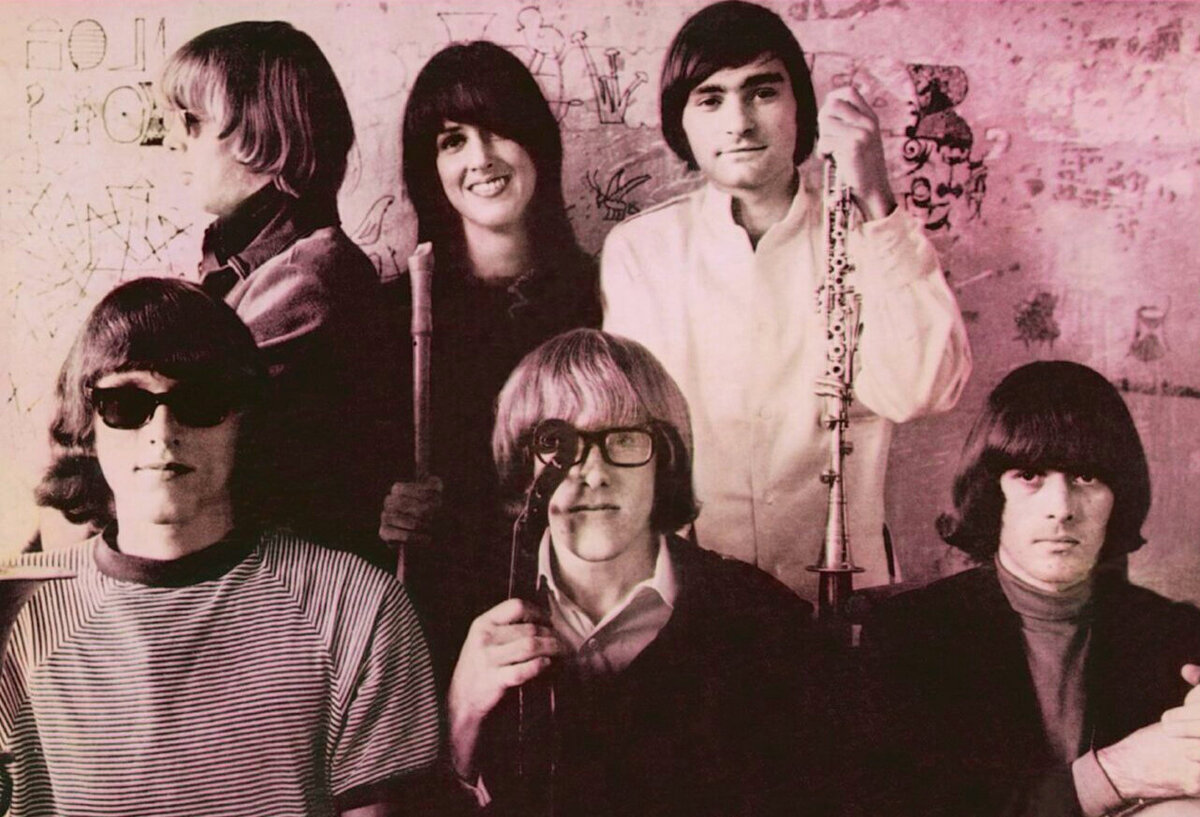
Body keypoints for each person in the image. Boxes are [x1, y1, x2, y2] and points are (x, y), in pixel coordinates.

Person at [11, 278, 441, 816]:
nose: (164, 431)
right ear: (87, 424)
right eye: (125, 402)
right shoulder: (19, 615)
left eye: (201, 398)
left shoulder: (356, 607)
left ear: (245, 418)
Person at [600, 0, 971, 601]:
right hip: (692, 602)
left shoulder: (868, 235)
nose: (739, 123)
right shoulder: (642, 251)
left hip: (842, 597)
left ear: (801, 107)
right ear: (680, 123)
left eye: (763, 92)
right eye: (710, 99)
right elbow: (634, 439)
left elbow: (921, 390)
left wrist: (878, 198)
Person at [445, 328, 836, 817]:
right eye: (559, 442)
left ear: (664, 460)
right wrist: (461, 718)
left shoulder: (766, 623)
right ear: (525, 466)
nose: (593, 473)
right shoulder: (464, 617)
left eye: (625, 439)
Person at [856, 360, 1200, 817]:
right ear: (990, 492)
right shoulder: (910, 633)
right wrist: (1116, 773)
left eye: (1086, 477)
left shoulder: (1176, 634)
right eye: (1029, 476)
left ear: (1117, 496)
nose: (1061, 508)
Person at [379, 41, 601, 672]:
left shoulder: (605, 298)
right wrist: (385, 510)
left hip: (580, 626)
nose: (480, 158)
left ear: (537, 145)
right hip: (438, 636)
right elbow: (346, 483)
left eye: (499, 130)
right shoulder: (388, 319)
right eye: (452, 141)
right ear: (430, 168)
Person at [159, 21, 402, 561]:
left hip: (289, 585)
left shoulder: (308, 278)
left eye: (192, 121)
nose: (173, 140)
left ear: (263, 134)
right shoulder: (251, 265)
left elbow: (188, 436)